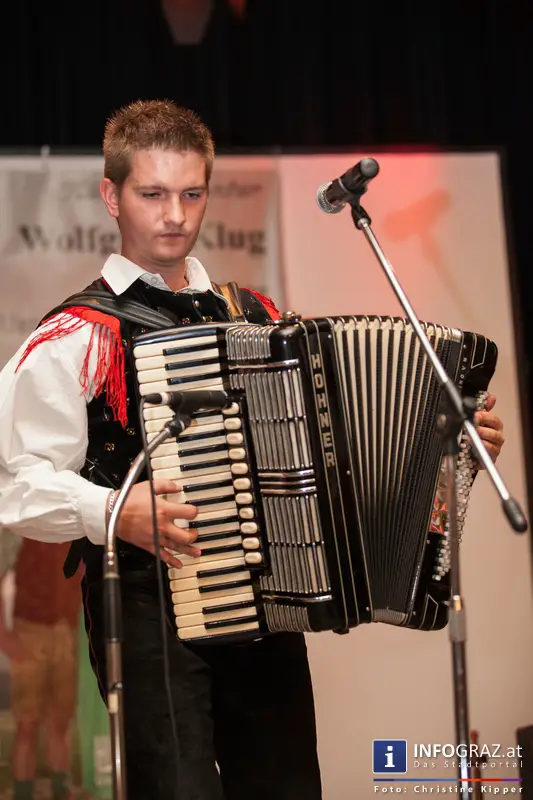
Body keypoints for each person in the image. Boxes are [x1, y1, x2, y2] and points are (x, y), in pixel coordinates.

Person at [0, 100, 506, 800]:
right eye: (152, 194)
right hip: (153, 615)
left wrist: (444, 443)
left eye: (191, 193)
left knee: (288, 784)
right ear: (111, 197)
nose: (174, 214)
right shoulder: (76, 336)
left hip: (268, 612)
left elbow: (339, 462)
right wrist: (115, 509)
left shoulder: (259, 318)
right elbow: (15, 486)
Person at [0, 532, 82, 800]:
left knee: (60, 721)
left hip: (65, 634)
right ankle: (23, 792)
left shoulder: (73, 530)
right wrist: (5, 637)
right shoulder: (18, 531)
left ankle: (61, 788)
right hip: (29, 631)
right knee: (27, 722)